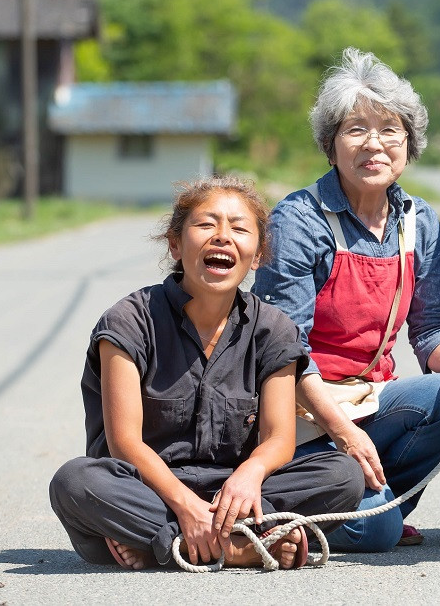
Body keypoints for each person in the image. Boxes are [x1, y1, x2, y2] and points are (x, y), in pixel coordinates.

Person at [49, 176, 364, 570]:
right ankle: (238, 548)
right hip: (146, 493)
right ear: (176, 244)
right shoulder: (129, 320)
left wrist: (250, 473)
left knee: (342, 474)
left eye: (239, 227)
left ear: (260, 253)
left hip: (237, 497)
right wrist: (184, 506)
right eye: (206, 224)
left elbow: (279, 439)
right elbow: (124, 443)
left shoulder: (275, 329)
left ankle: (167, 548)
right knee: (75, 481)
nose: (222, 236)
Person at [252, 47, 440, 552]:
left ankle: (383, 503)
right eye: (355, 129)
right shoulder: (299, 220)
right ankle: (313, 508)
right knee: (377, 532)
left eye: (389, 130)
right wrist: (343, 433)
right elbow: (279, 351)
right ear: (331, 147)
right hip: (300, 413)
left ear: (408, 143)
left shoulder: (419, 222)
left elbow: (432, 327)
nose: (373, 143)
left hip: (368, 399)